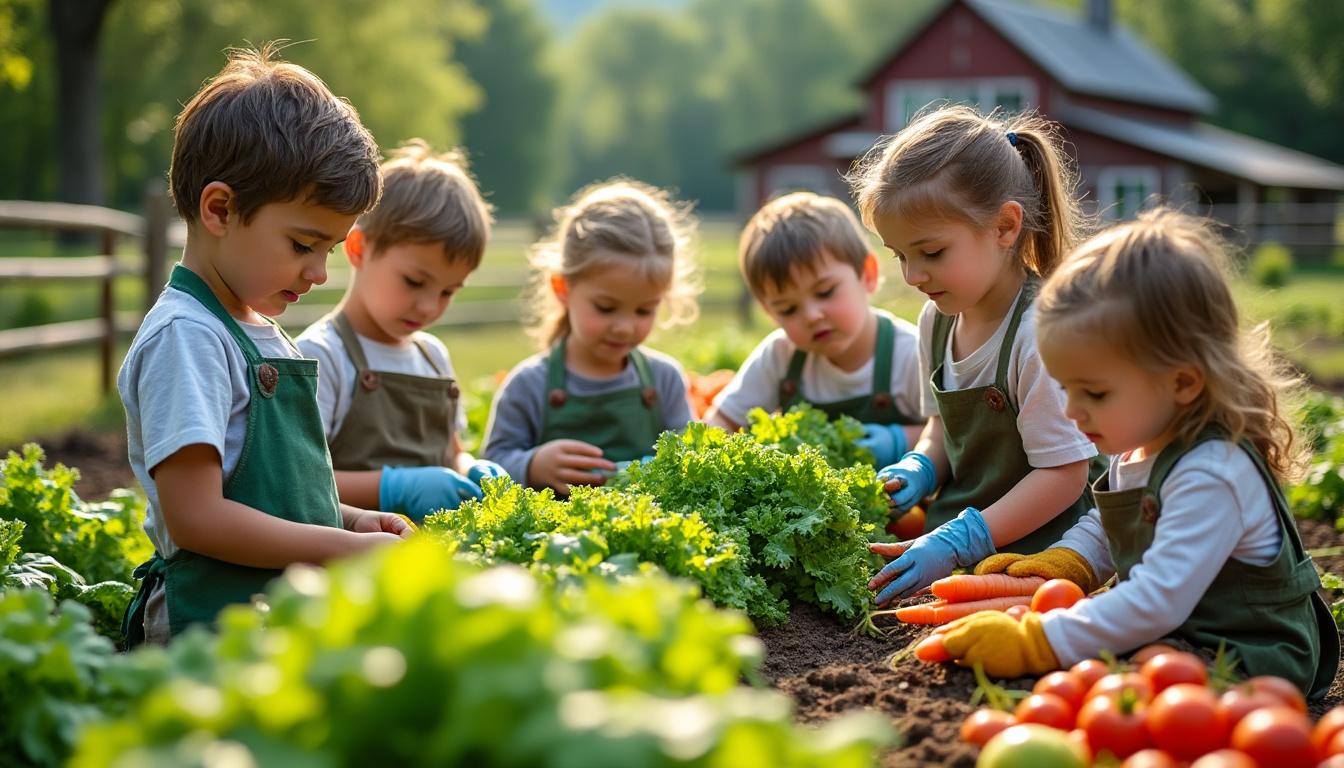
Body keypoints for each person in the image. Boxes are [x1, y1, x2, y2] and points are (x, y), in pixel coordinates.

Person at [933, 209, 1339, 697]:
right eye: (1064, 388)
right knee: (1115, 665)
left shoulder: (1211, 472)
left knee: (1121, 669)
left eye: (1095, 393)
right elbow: (1109, 528)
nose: (1072, 411)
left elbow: (1156, 600)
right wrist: (1067, 562)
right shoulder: (1142, 443)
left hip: (1254, 656)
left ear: (1183, 382)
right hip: (1185, 634)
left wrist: (1037, 642)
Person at [118, 45, 412, 646]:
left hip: (273, 626)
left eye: (329, 250)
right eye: (303, 245)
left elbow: (278, 499)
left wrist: (352, 521)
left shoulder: (258, 328)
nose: (319, 274)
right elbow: (196, 518)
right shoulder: (189, 337)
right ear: (220, 209)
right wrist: (342, 548)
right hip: (212, 633)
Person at [853, 106, 1097, 604]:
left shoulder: (1039, 333)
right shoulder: (937, 320)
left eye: (932, 253)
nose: (913, 276)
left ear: (1006, 226)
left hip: (1041, 548)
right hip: (960, 538)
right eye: (901, 255)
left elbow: (1065, 476)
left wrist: (964, 541)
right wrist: (920, 466)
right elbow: (942, 429)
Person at [297, 140, 505, 521]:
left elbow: (450, 451)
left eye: (447, 291)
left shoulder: (432, 356)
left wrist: (467, 466)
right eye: (413, 282)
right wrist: (395, 488)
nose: (429, 306)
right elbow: (297, 482)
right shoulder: (320, 355)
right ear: (359, 248)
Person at [481, 179, 700, 495]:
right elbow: (491, 466)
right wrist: (531, 465)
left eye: (644, 311)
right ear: (563, 289)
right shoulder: (528, 386)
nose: (625, 327)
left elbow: (690, 460)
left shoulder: (664, 380)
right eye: (606, 308)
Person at [704, 191, 923, 468]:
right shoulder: (780, 355)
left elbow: (952, 436)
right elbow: (723, 420)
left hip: (899, 504)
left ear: (867, 274)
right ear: (770, 313)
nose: (811, 315)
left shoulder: (909, 354)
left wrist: (900, 440)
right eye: (788, 309)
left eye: (825, 292)